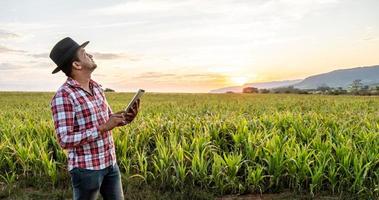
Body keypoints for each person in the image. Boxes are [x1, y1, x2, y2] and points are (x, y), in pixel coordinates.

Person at [49, 37, 139, 200]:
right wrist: (103, 127)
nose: (90, 54)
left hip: (110, 163)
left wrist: (126, 118)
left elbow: (109, 120)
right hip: (86, 170)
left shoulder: (96, 87)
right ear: (77, 65)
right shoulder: (64, 96)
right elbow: (64, 140)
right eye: (84, 53)